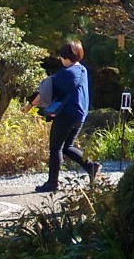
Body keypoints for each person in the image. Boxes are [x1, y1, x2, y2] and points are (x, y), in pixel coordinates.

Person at [34, 39, 96, 194]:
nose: (61, 60)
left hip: (66, 114)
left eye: (62, 57)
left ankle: (52, 182)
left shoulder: (65, 74)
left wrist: (29, 105)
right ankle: (91, 166)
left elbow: (44, 91)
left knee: (56, 148)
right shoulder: (82, 70)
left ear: (66, 57)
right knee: (67, 146)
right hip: (80, 115)